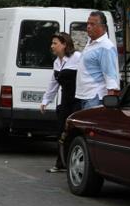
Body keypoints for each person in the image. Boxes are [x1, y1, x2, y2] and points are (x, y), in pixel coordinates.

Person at [39, 32, 81, 173]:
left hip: (78, 100)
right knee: (61, 131)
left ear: (64, 45)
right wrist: (46, 100)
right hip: (65, 100)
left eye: (55, 43)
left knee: (74, 131)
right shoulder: (57, 62)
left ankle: (73, 162)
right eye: (52, 43)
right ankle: (60, 162)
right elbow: (54, 83)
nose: (52, 46)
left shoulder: (77, 58)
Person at [75, 11, 120, 110]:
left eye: (92, 24)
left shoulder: (106, 46)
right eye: (88, 23)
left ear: (103, 27)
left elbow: (111, 76)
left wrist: (109, 105)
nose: (88, 27)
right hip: (86, 96)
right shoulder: (91, 42)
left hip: (95, 98)